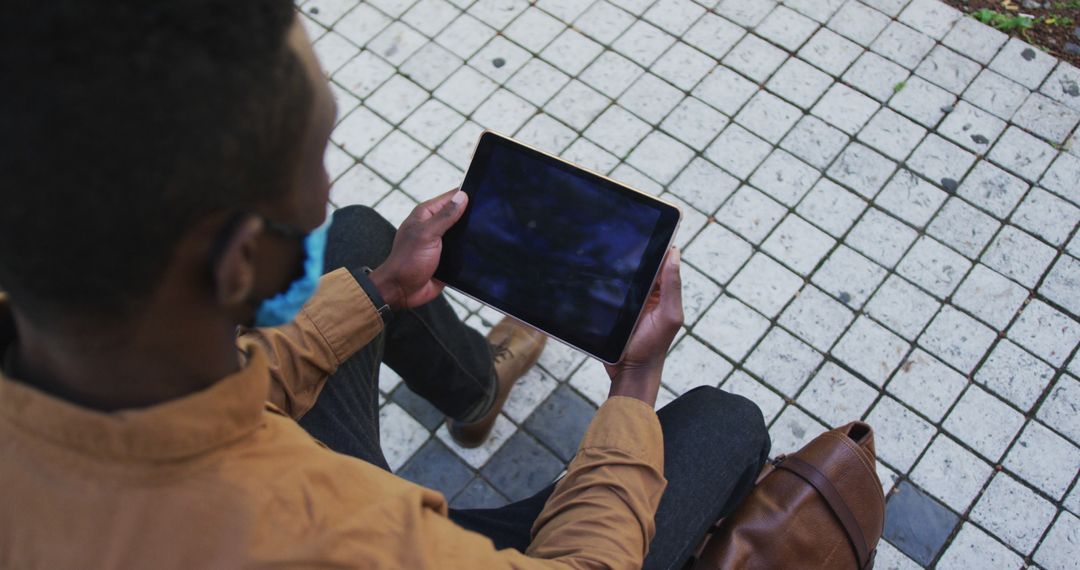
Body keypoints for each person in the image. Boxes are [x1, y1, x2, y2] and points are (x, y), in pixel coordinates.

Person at [0, 2, 770, 568]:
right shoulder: (348, 538)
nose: (321, 184)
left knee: (365, 243)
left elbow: (222, 392)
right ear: (236, 261)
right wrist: (634, 383)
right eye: (314, 151)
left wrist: (380, 290)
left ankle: (475, 394)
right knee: (726, 423)